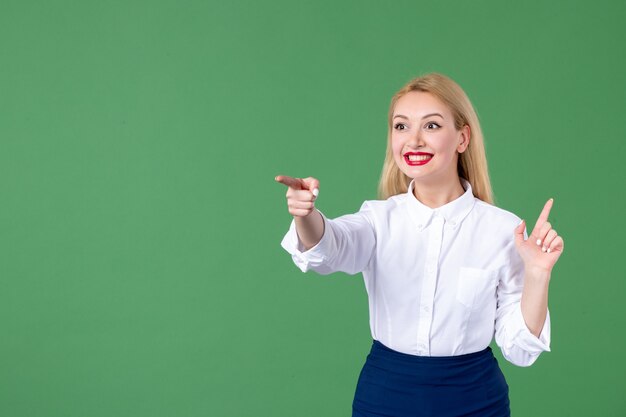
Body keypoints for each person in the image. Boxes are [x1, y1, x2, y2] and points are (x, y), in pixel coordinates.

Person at [275, 73, 564, 417]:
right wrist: (305, 214)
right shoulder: (378, 220)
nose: (413, 140)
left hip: (476, 400)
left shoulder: (503, 229)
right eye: (401, 127)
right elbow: (329, 246)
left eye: (430, 126)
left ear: (462, 137)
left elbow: (520, 350)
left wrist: (537, 274)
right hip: (386, 396)